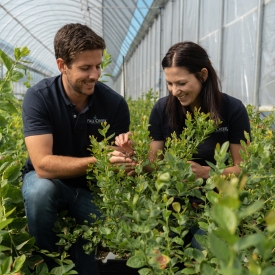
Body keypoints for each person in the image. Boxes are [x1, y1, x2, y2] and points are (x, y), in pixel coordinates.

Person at [21, 23, 134, 275]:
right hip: (48, 181)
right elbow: (42, 165)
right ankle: (47, 263)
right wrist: (101, 160)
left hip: (89, 191)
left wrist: (125, 158)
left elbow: (117, 171)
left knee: (123, 232)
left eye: (98, 66)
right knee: (39, 191)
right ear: (62, 65)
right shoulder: (39, 98)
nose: (95, 75)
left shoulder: (113, 104)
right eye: (85, 68)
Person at [115, 41, 251, 248]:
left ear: (203, 75)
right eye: (170, 83)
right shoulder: (162, 109)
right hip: (174, 200)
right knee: (163, 249)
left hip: (218, 201)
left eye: (181, 83)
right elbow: (154, 166)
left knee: (202, 245)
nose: (174, 91)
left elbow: (244, 169)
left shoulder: (232, 109)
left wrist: (207, 173)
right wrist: (133, 154)